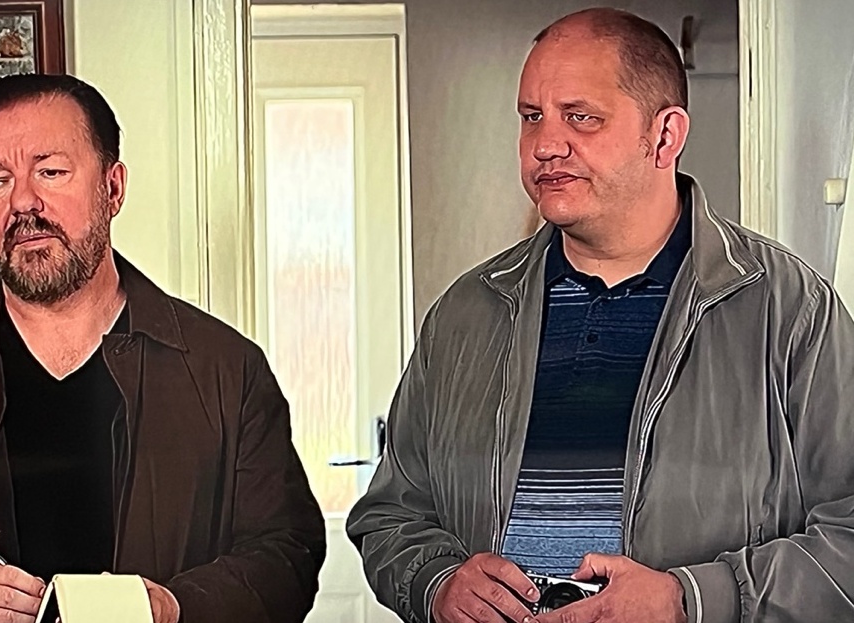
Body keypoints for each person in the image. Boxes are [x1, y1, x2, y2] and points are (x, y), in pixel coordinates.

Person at [347, 8, 854, 623]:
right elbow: (390, 514)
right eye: (531, 117)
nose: (545, 145)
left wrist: (691, 599)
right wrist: (435, 583)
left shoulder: (789, 309)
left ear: (664, 136)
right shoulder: (466, 313)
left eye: (580, 117)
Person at [0, 74, 326, 623]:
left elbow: (286, 552)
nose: (23, 202)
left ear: (112, 188)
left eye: (50, 172)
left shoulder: (227, 370)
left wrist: (175, 608)